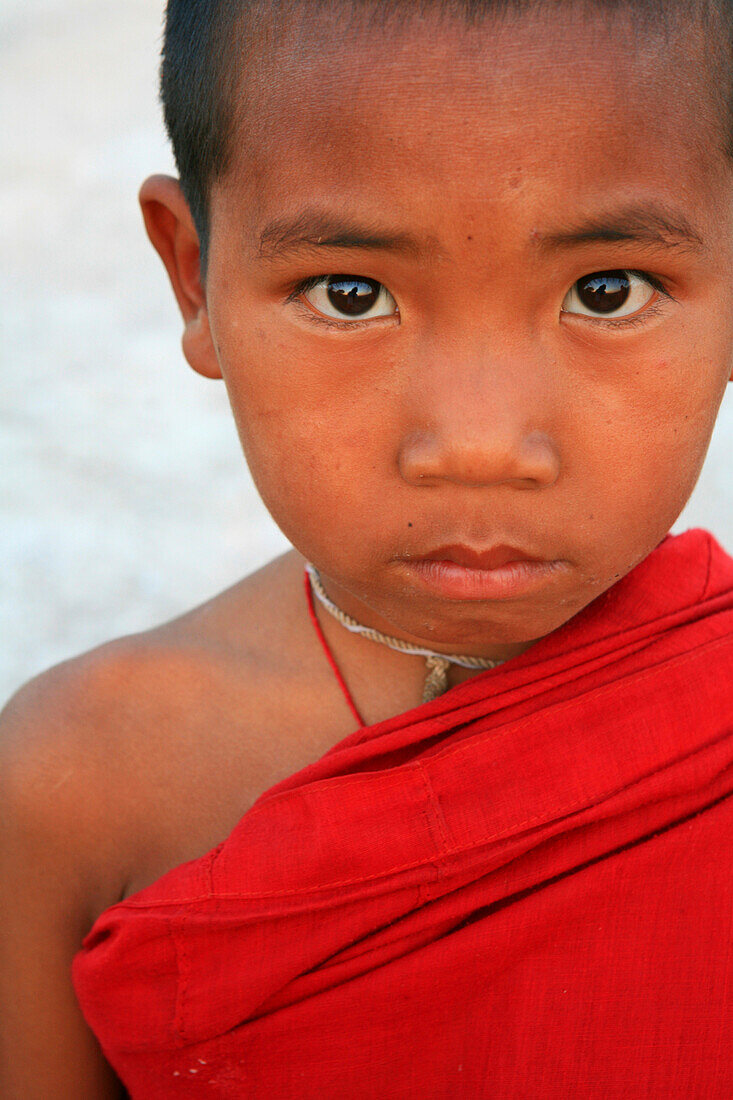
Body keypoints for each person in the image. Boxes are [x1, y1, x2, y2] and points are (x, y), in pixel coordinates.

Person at [2, 0, 733, 1096]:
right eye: (352, 294)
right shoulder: (78, 782)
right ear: (193, 276)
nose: (480, 446)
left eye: (605, 290)